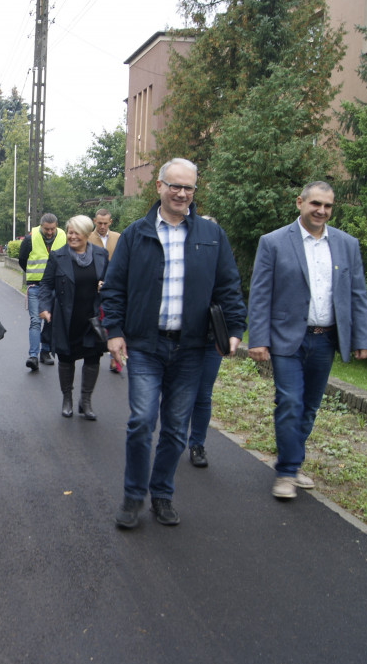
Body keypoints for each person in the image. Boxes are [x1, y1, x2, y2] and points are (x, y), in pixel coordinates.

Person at [101, 158, 245, 529]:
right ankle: (133, 496)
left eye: (189, 188)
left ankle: (161, 495)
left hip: (192, 349)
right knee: (142, 421)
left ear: (194, 191)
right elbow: (114, 288)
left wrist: (235, 328)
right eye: (174, 186)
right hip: (146, 346)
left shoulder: (212, 236)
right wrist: (114, 331)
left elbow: (229, 287)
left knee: (177, 428)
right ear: (159, 187)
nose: (182, 193)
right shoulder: (136, 234)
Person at [247, 181, 367, 500]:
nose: (321, 211)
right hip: (288, 339)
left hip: (325, 339)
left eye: (328, 206)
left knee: (309, 407)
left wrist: (362, 337)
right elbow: (260, 295)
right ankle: (287, 472)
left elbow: (357, 294)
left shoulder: (346, 245)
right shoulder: (273, 242)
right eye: (315, 203)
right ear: (300, 202)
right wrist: (258, 339)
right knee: (290, 400)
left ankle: (292, 460)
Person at [38, 215, 110, 420]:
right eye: (70, 232)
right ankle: (67, 398)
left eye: (77, 233)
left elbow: (112, 280)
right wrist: (44, 307)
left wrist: (105, 285)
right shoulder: (58, 256)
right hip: (66, 318)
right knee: (66, 358)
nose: (72, 236)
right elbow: (45, 284)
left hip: (92, 319)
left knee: (93, 358)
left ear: (87, 234)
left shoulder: (101, 254)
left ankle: (85, 401)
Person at [187, 215, 223, 469]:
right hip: (180, 340)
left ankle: (197, 443)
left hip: (210, 339)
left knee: (203, 394)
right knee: (177, 392)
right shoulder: (181, 262)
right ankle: (173, 436)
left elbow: (230, 297)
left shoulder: (222, 264)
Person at [19, 213, 66, 371]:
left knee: (50, 320)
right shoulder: (30, 239)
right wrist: (34, 274)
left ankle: (45, 352)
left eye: (52, 229)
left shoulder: (63, 236)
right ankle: (33, 355)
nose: (50, 232)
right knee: (35, 321)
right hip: (36, 286)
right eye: (46, 229)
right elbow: (22, 260)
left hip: (56, 286)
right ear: (41, 226)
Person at [90, 207, 123, 373]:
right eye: (99, 223)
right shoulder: (87, 238)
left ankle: (114, 359)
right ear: (95, 221)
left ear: (110, 222)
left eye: (105, 223)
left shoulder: (118, 238)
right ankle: (94, 352)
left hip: (114, 286)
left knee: (113, 318)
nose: (102, 226)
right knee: (96, 320)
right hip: (93, 287)